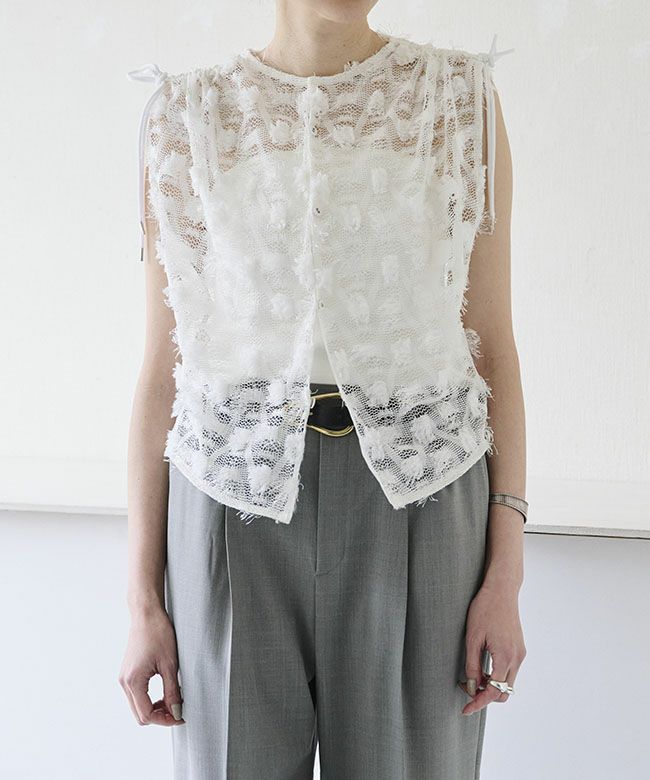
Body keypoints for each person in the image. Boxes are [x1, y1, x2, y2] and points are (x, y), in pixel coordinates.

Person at [119, 2, 527, 778]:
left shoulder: (458, 100)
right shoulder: (186, 115)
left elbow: (494, 351)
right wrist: (142, 600)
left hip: (424, 502)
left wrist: (506, 573)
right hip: (230, 506)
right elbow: (162, 368)